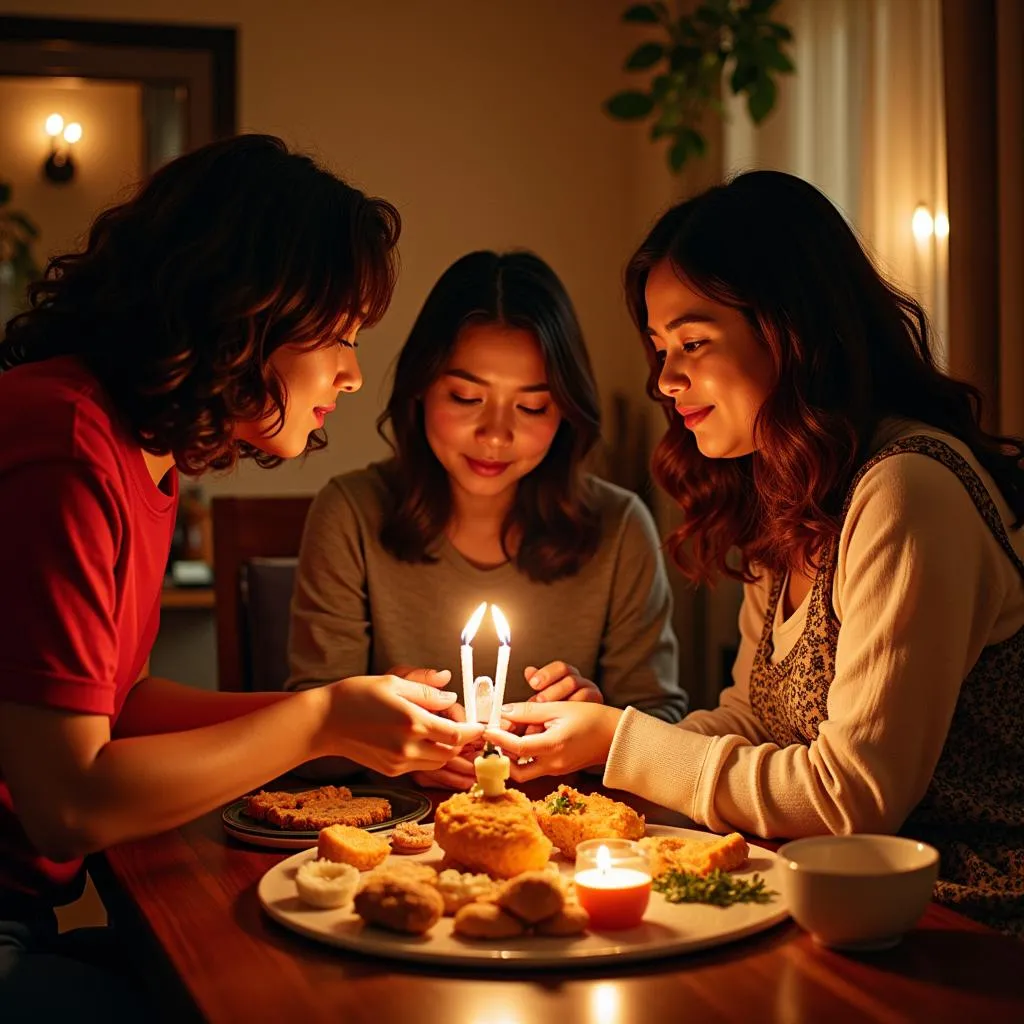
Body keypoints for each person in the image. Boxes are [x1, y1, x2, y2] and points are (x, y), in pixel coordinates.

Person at [0, 134, 482, 1019]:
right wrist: (318, 719)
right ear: (241, 315)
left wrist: (349, 716)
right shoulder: (65, 447)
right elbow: (64, 803)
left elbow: (122, 705)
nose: (351, 372)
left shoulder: (135, 447)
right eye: (336, 336)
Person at [486, 170, 1024, 934]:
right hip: (834, 900)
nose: (666, 380)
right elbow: (755, 723)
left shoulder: (908, 490)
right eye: (660, 347)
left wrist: (624, 745)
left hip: (967, 921)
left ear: (790, 330)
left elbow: (850, 799)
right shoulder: (793, 488)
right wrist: (603, 744)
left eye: (693, 342)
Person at [287, 249, 685, 790]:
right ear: (421, 387)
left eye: (532, 407)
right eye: (467, 396)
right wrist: (369, 725)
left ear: (566, 412)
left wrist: (605, 732)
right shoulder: (352, 514)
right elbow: (307, 746)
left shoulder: (619, 528)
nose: (496, 434)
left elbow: (666, 728)